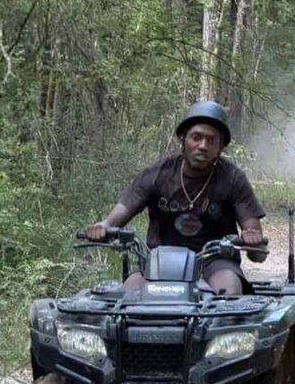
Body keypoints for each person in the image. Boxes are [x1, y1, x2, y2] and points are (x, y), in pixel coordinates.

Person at [84, 101, 267, 295]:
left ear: (220, 147)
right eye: (196, 138)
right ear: (183, 139)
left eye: (212, 140)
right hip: (159, 261)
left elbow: (258, 253)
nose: (203, 146)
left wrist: (252, 239)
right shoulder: (158, 173)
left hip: (215, 260)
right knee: (129, 293)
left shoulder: (233, 178)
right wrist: (104, 225)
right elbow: (125, 207)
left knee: (229, 289)